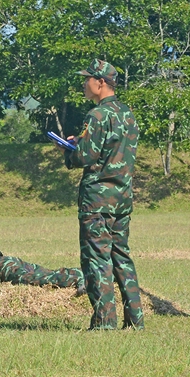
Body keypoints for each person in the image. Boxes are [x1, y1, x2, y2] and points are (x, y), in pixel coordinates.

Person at [60, 59, 144, 330]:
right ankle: (135, 321)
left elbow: (85, 157)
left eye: (88, 79)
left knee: (97, 259)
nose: (84, 84)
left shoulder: (97, 116)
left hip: (97, 199)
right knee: (121, 256)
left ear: (100, 83)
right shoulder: (128, 114)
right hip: (122, 197)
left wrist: (70, 149)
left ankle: (104, 323)